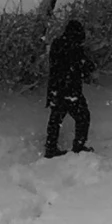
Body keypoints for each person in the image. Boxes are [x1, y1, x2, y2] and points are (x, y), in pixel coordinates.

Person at [44, 18, 92, 158]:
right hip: (71, 90)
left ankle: (51, 148)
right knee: (83, 117)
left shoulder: (57, 44)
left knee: (55, 119)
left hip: (56, 90)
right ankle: (79, 146)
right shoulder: (75, 48)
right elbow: (84, 66)